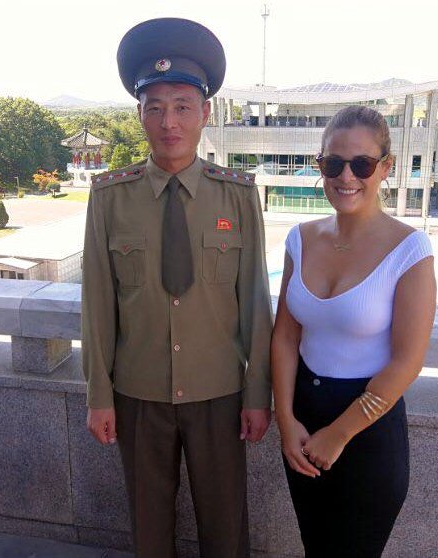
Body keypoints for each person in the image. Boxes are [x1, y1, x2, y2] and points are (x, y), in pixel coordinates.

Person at [80, 17, 273, 558]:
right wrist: (99, 395)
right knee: (148, 526)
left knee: (225, 526)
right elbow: (96, 303)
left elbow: (256, 302)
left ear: (205, 113)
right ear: (139, 113)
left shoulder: (236, 196)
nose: (169, 121)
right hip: (137, 393)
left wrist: (259, 395)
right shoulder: (110, 198)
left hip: (218, 393)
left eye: (183, 106)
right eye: (155, 106)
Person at [271, 105, 437, 557]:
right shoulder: (300, 238)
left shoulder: (409, 248)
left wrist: (340, 434)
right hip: (304, 419)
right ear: (320, 165)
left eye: (362, 164)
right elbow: (285, 337)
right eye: (333, 163)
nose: (347, 176)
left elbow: (407, 362)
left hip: (367, 427)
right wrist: (286, 422)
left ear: (386, 167)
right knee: (315, 547)